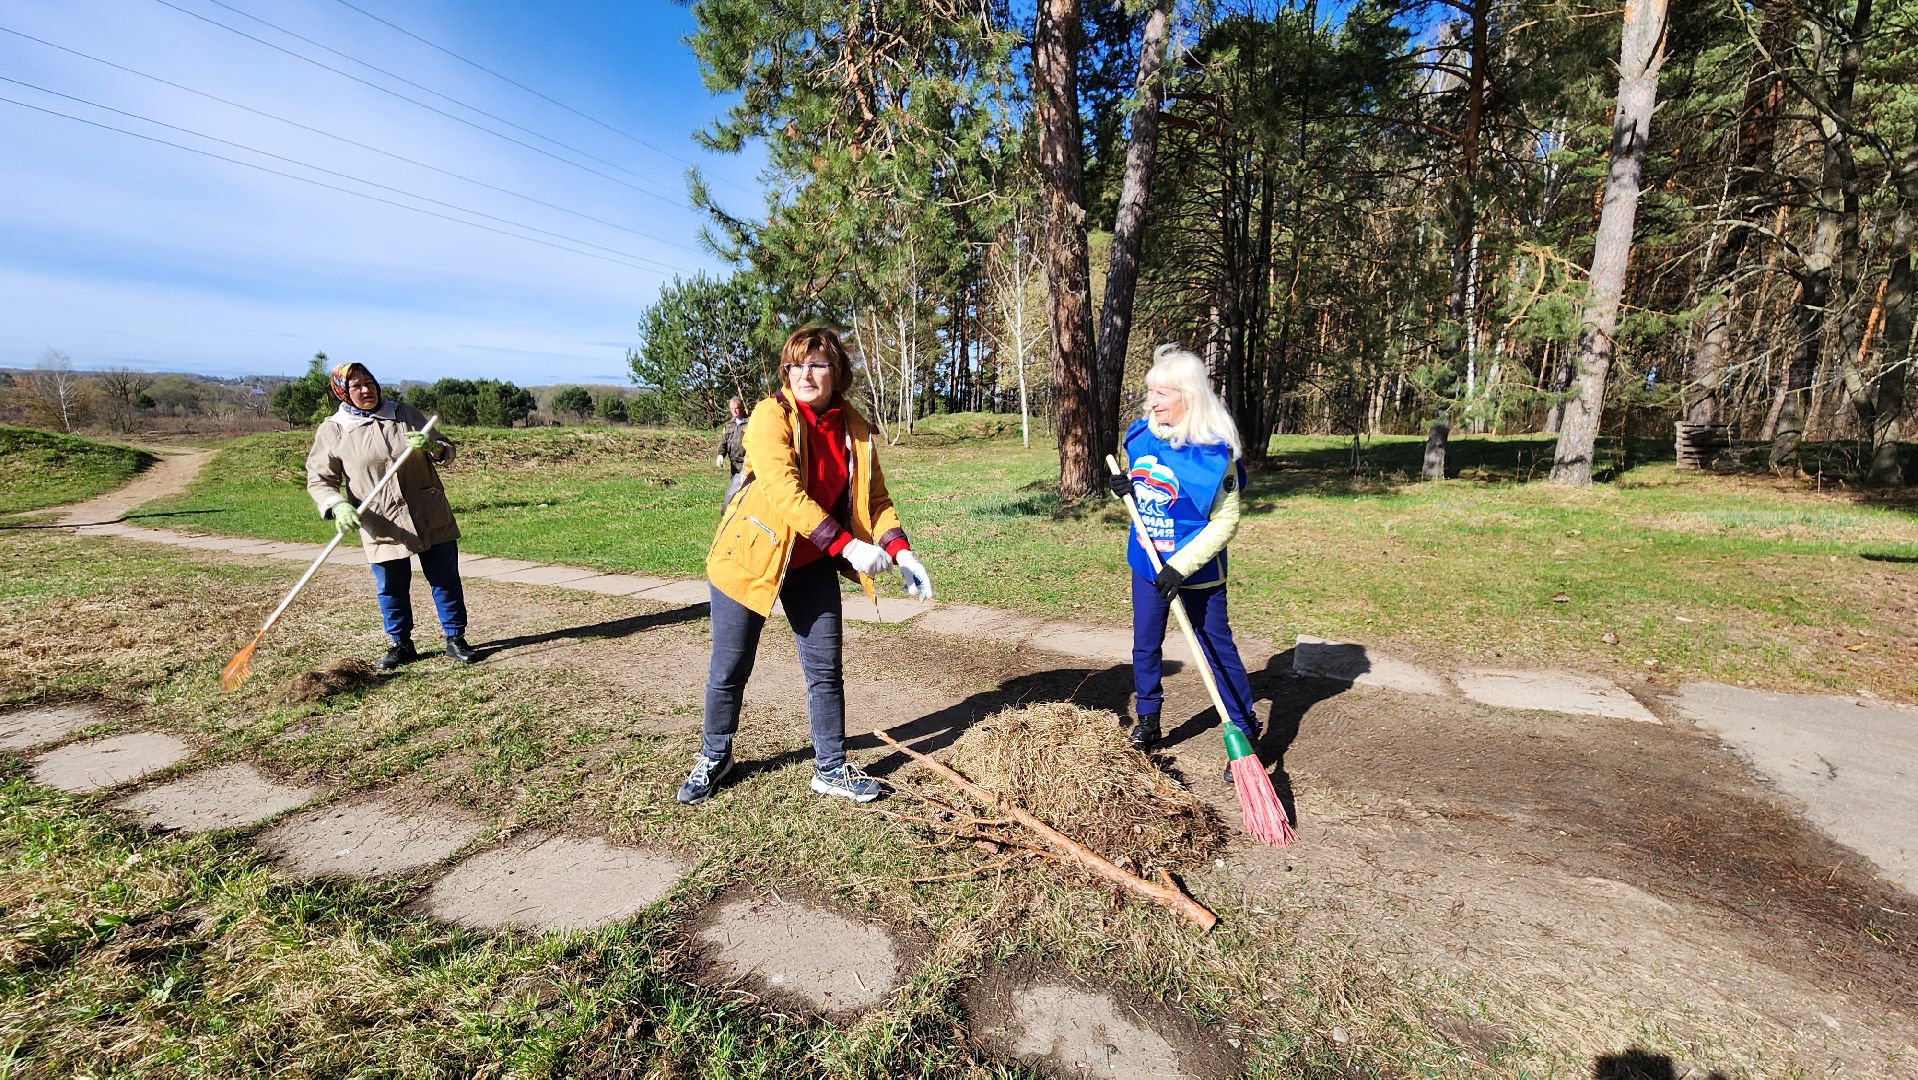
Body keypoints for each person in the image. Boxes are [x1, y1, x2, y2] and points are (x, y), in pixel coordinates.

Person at [678, 327, 934, 806]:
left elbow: (875, 500)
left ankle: (831, 767)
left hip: (812, 561)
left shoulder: (854, 428)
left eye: (817, 364)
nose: (804, 375)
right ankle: (716, 755)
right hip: (750, 556)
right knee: (730, 666)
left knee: (824, 668)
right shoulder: (768, 416)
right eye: (795, 365)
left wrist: (900, 549)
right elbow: (785, 491)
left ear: (838, 372)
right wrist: (849, 547)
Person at [1107, 344, 1257, 782]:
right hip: (1148, 562)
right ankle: (1148, 719)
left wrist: (1181, 567)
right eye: (1150, 391)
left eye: (1162, 393)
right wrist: (1126, 492)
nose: (1151, 401)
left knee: (1215, 650)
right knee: (1145, 644)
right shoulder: (1140, 435)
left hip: (1198, 574)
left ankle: (1244, 731)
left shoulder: (1215, 455)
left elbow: (1225, 521)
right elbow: (1150, 499)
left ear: (1188, 396)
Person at [305, 361, 477, 671]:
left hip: (428, 510)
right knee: (391, 586)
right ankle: (401, 644)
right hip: (381, 520)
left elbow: (445, 449)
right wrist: (336, 504)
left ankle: (455, 639)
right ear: (343, 392)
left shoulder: (404, 413)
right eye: (356, 386)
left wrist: (433, 447)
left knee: (445, 579)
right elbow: (319, 479)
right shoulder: (333, 430)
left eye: (369, 382)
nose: (366, 389)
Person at [716, 395, 749, 507]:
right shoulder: (728, 424)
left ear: (742, 408)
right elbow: (724, 442)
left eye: (736, 408)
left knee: (746, 491)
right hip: (734, 465)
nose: (734, 411)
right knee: (734, 491)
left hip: (747, 464)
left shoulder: (750, 423)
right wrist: (720, 455)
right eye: (731, 408)